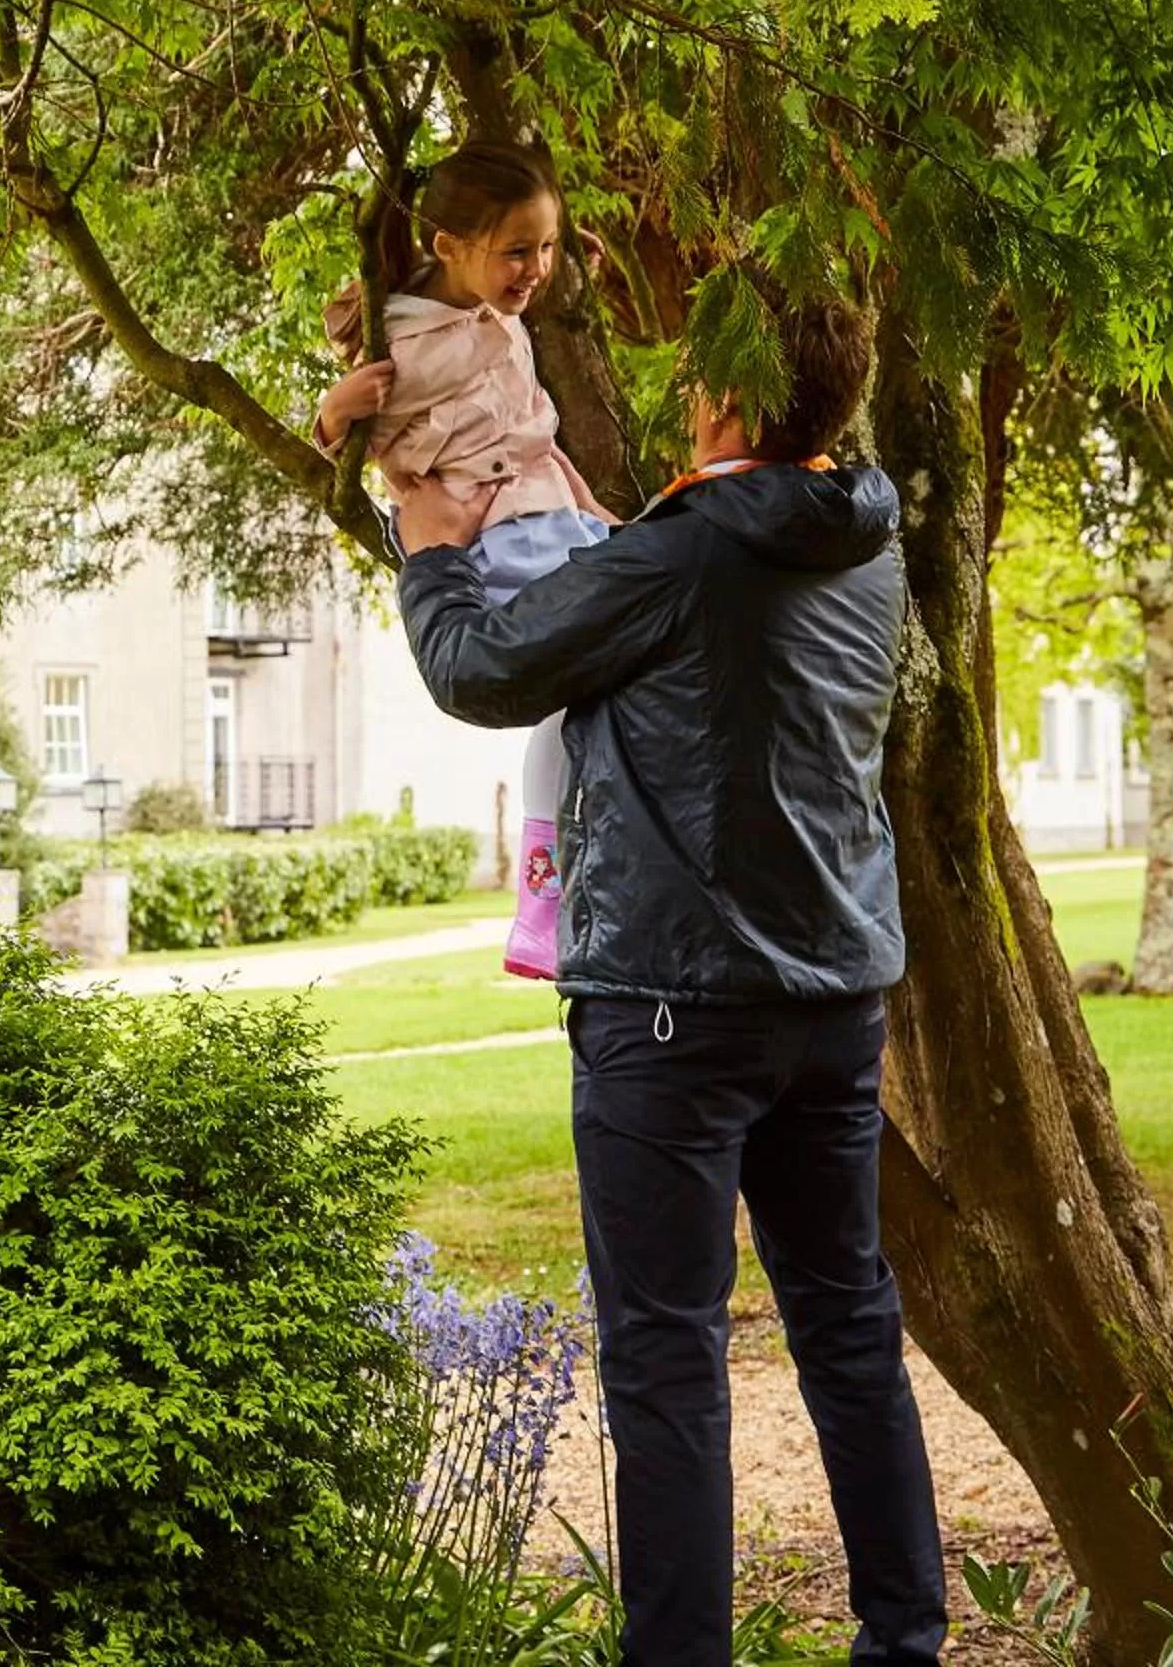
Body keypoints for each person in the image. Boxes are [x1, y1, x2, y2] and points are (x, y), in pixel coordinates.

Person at [391, 306, 945, 1667]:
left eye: (702, 360)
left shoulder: (686, 552)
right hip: (832, 1004)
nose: (681, 373)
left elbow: (480, 670)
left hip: (671, 1015)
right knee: (850, 1333)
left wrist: (426, 552)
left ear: (734, 392)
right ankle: (906, 1644)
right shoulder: (864, 540)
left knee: (666, 1364)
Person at [312, 139, 620, 978]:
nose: (537, 268)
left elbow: (518, 316)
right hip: (508, 533)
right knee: (585, 690)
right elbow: (345, 443)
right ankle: (543, 896)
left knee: (608, 696)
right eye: (518, 250)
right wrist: (338, 409)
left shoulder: (496, 309)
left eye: (547, 247)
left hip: (556, 513)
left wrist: (561, 260)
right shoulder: (406, 351)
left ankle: (569, 883)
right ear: (448, 246)